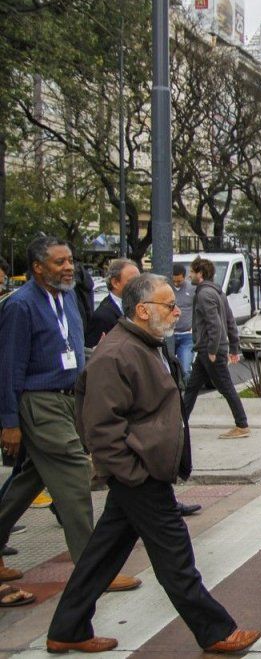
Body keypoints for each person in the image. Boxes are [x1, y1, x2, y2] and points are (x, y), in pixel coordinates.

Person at [46, 274, 261, 654]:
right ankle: (215, 630)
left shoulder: (144, 344)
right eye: (169, 305)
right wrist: (133, 473)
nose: (178, 310)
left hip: (142, 470)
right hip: (139, 475)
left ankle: (68, 627)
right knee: (175, 557)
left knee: (103, 553)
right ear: (143, 310)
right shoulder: (116, 353)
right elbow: (100, 427)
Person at [0, 237, 141, 595]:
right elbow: (8, 367)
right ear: (37, 267)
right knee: (77, 472)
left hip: (67, 400)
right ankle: (93, 569)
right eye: (60, 262)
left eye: (69, 260)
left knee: (29, 481)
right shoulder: (20, 306)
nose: (68, 267)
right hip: (39, 402)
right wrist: (10, 422)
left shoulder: (67, 299)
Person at [181, 258, 249, 440]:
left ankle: (242, 424)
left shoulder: (204, 295)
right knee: (192, 387)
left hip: (210, 350)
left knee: (226, 387)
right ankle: (181, 422)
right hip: (209, 349)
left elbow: (215, 325)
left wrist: (212, 350)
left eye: (192, 272)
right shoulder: (218, 292)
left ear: (200, 274)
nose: (189, 275)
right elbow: (230, 322)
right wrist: (234, 348)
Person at [84, 258, 139, 349]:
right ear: (115, 283)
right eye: (133, 281)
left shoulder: (137, 307)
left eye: (140, 281)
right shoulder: (103, 316)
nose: (138, 285)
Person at [171, 263, 197, 385]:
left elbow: (198, 308)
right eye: (174, 281)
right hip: (170, 335)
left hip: (186, 335)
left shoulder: (192, 289)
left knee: (186, 369)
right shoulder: (167, 289)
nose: (176, 284)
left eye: (179, 281)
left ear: (185, 277)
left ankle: (186, 396)